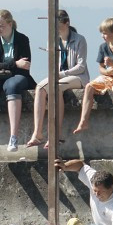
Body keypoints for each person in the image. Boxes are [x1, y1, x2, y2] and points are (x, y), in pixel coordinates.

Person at [26, 10, 89, 148]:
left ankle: (57, 134)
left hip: (78, 77)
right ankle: (37, 133)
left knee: (56, 87)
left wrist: (62, 73)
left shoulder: (79, 39)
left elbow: (81, 66)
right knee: (40, 88)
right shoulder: (53, 40)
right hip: (58, 76)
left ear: (66, 23)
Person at [0, 9, 34, 154]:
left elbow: (25, 66)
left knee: (12, 85)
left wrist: (0, 68)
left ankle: (13, 137)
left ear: (10, 24)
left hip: (18, 77)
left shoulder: (22, 39)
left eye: (1, 26)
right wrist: (14, 64)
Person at [73, 18, 113, 139]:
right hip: (107, 76)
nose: (103, 36)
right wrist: (107, 70)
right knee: (89, 87)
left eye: (105, 33)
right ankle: (84, 121)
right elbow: (100, 68)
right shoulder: (103, 47)